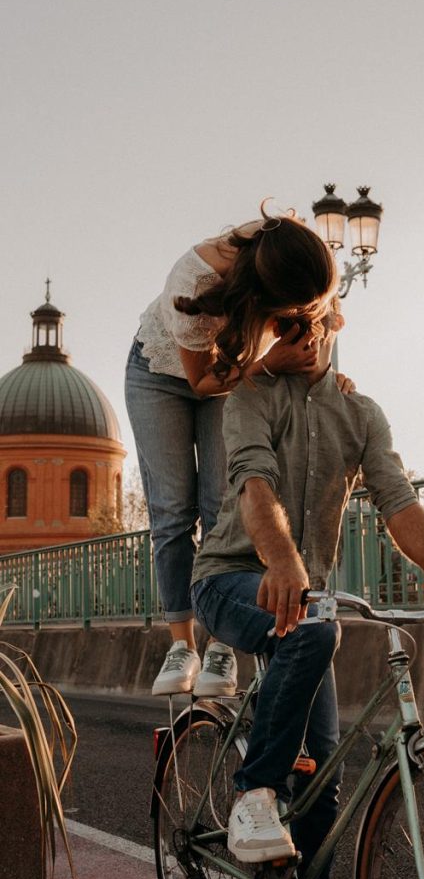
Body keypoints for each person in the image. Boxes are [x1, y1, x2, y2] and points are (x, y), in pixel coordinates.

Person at [190, 300, 424, 879]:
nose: (297, 337)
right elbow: (253, 481)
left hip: (307, 599)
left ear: (332, 325)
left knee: (324, 773)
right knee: (312, 638)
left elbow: (396, 499)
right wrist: (280, 559)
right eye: (283, 324)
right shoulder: (249, 396)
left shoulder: (360, 412)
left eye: (309, 323)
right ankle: (253, 794)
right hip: (232, 580)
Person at [125, 206, 343, 699]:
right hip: (162, 375)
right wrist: (268, 361)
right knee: (172, 512)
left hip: (235, 371)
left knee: (223, 506)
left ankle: (221, 644)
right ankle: (182, 644)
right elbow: (202, 380)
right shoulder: (196, 280)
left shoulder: (302, 260)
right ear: (266, 295)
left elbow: (318, 337)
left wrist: (325, 372)